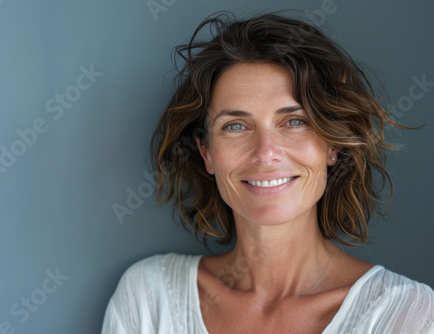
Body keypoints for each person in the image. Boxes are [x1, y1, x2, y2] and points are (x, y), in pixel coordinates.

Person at [101, 11, 434, 333]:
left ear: (333, 144)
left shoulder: (409, 316)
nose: (265, 153)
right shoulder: (147, 298)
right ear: (207, 153)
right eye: (235, 126)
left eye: (294, 121)